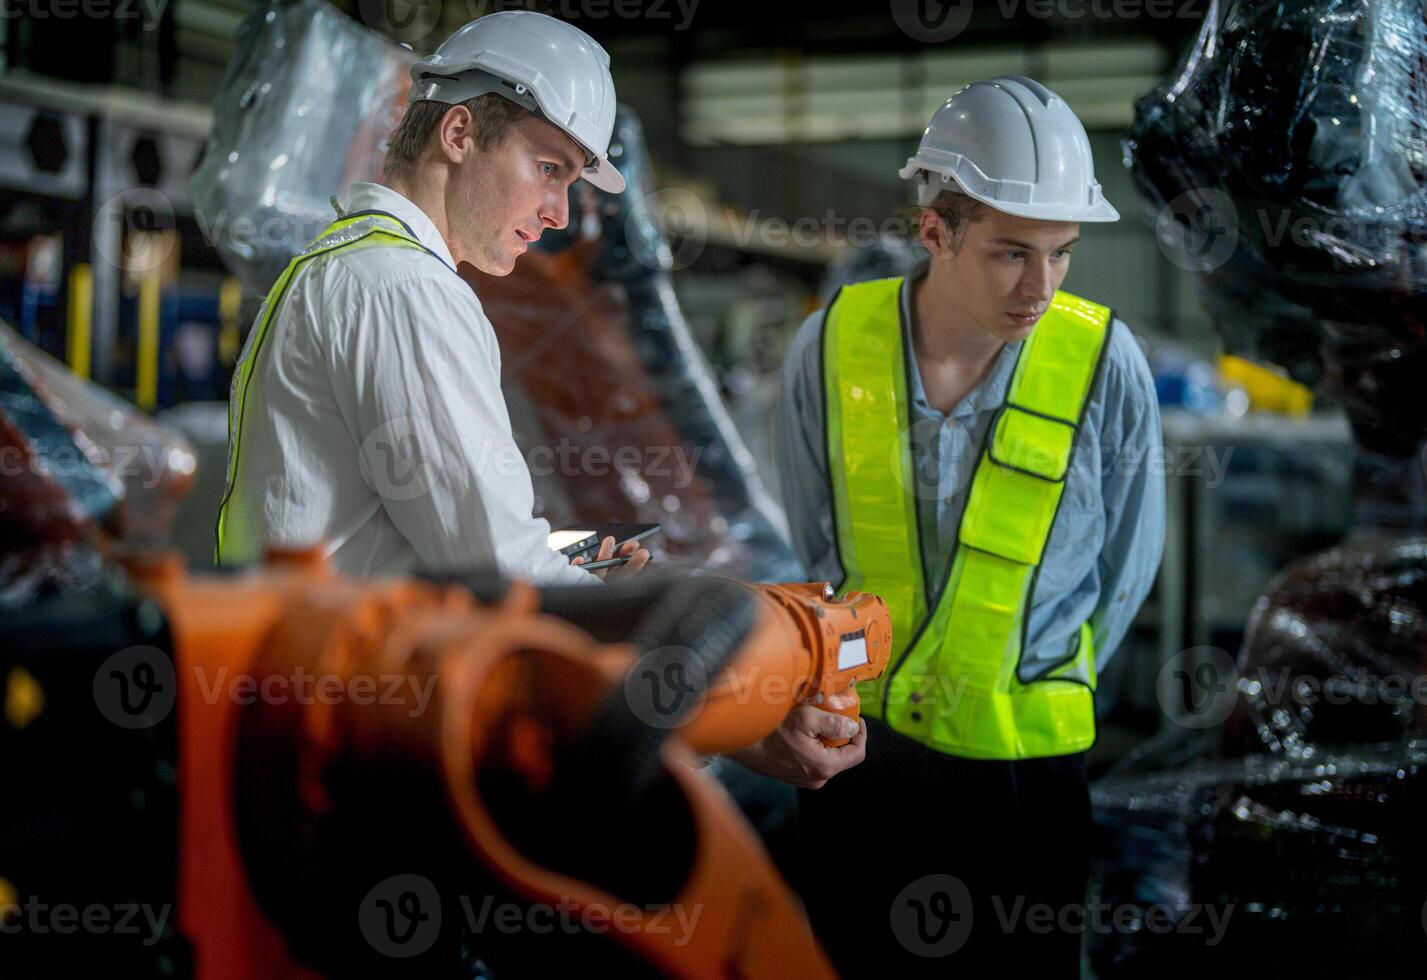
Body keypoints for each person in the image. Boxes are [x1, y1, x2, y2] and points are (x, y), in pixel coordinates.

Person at [748, 76, 1166, 973]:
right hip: (860, 752)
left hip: (1026, 768)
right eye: (1012, 253)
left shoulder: (1103, 361)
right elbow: (814, 543)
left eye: (1061, 255)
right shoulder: (829, 347)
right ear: (935, 231)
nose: (1041, 286)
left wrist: (1031, 669)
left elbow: (1131, 560)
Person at [215, 11, 648, 584]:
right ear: (458, 134)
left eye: (568, 183)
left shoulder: (348, 264)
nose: (560, 213)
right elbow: (492, 566)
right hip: (352, 670)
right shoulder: (406, 289)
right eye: (548, 168)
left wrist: (558, 569)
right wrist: (600, 601)